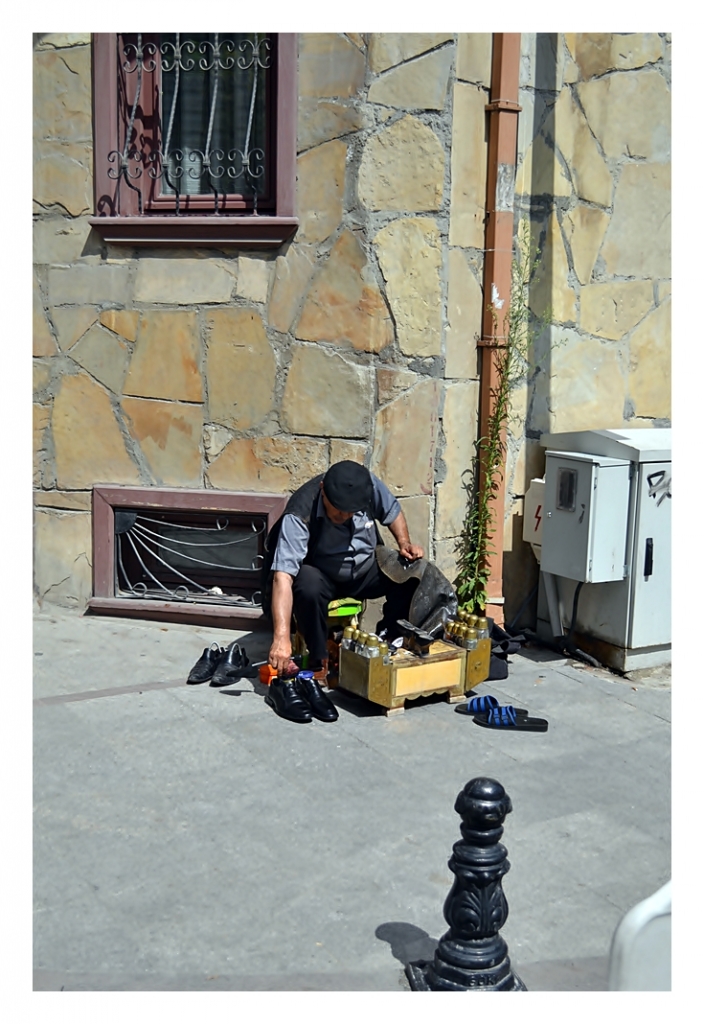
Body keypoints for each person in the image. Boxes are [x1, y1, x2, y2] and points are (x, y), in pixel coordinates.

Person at [266, 461, 424, 684]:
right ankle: (319, 658)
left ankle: (390, 638)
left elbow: (392, 511)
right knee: (306, 584)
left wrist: (404, 542)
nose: (344, 515)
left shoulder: (367, 486)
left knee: (410, 572)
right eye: (338, 510)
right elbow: (282, 577)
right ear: (323, 490)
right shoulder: (300, 511)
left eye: (351, 512)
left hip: (365, 569)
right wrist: (281, 638)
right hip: (324, 575)